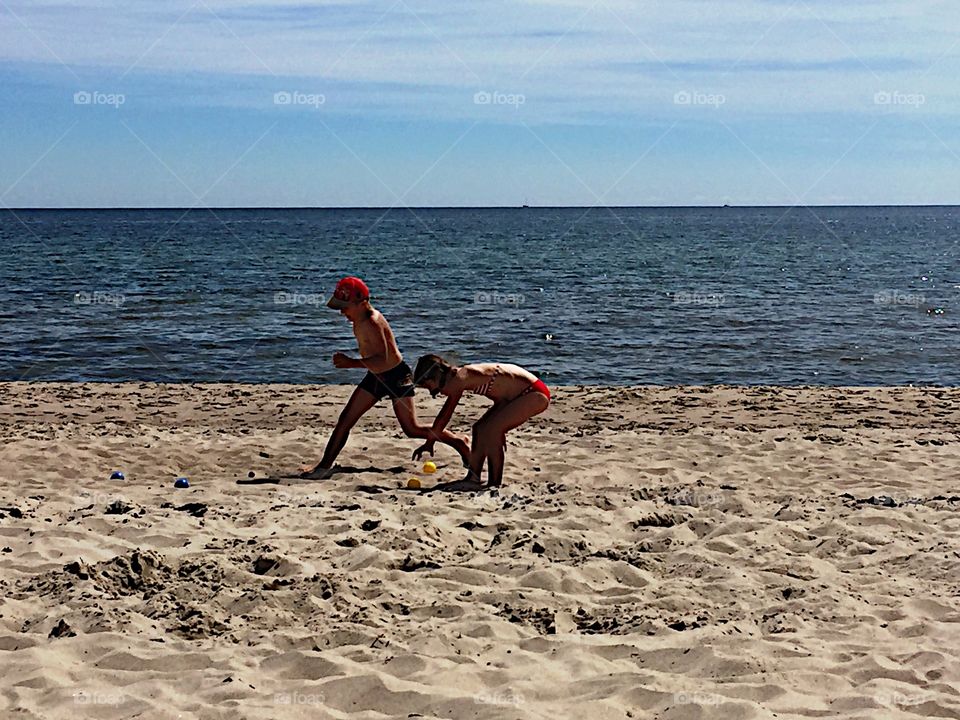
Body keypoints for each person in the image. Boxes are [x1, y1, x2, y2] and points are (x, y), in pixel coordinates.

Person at [299, 278, 470, 478]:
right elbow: (374, 360)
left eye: (345, 307)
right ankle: (324, 466)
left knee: (412, 428)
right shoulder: (358, 319)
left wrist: (350, 362)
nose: (342, 312)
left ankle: (460, 443)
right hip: (375, 375)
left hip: (396, 376)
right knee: (345, 420)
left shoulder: (372, 321)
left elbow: (383, 359)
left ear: (361, 302)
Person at [412, 354, 550, 491]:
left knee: (492, 431)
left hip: (534, 393)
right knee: (480, 429)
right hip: (513, 396)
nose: (431, 392)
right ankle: (473, 478)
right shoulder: (459, 376)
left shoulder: (459, 379)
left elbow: (444, 417)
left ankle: (494, 483)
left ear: (435, 376)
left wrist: (429, 443)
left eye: (428, 386)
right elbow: (503, 389)